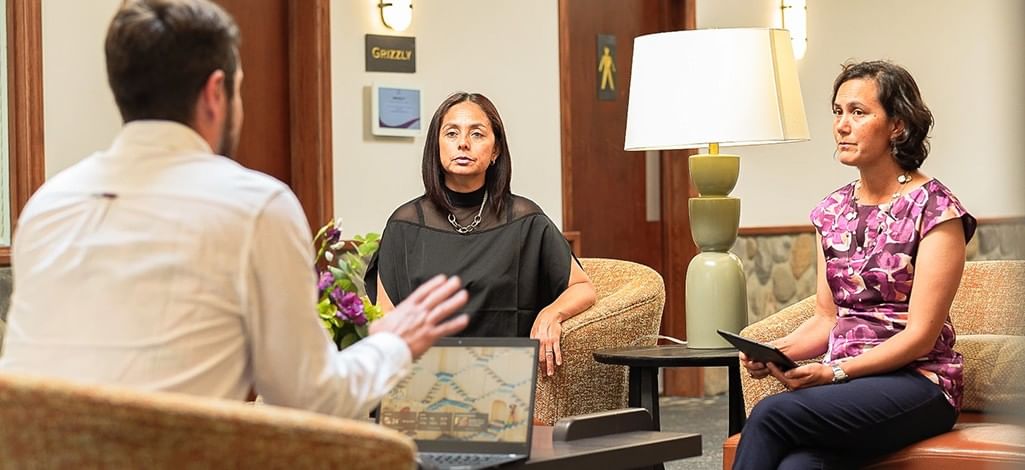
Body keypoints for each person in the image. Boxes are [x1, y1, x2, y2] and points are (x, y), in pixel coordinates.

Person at [0, 0, 469, 420]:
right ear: (215, 92)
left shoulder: (47, 206)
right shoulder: (254, 207)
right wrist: (395, 343)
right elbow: (313, 400)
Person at [733, 60, 977, 469]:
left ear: (897, 126)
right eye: (838, 112)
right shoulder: (830, 211)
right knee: (800, 467)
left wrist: (835, 373)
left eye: (858, 112)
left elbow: (919, 337)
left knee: (772, 414)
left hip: (920, 384)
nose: (842, 125)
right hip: (848, 387)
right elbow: (827, 319)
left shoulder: (936, 211)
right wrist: (777, 352)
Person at [366, 92, 597, 376]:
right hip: (423, 379)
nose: (463, 143)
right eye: (451, 133)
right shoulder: (405, 225)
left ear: (496, 150)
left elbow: (582, 288)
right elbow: (386, 316)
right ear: (436, 146)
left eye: (476, 134)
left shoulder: (525, 220)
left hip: (503, 380)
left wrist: (552, 313)